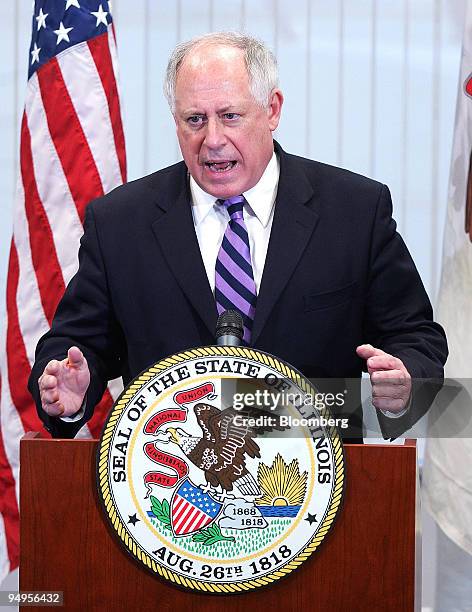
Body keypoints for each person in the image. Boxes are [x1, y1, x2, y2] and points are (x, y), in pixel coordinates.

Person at [29, 32, 447, 440]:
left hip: (321, 482)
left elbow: (415, 337)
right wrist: (70, 389)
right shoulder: (121, 223)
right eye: (195, 119)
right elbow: (76, 344)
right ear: (176, 122)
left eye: (230, 116)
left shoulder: (354, 212)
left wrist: (406, 381)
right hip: (172, 478)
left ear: (272, 110)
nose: (212, 140)